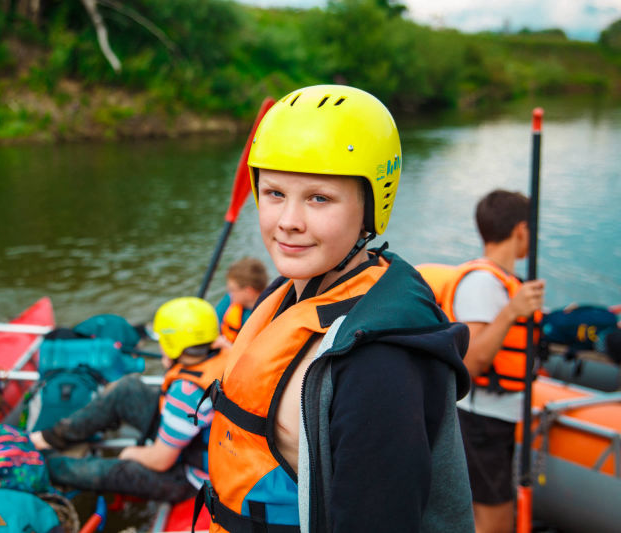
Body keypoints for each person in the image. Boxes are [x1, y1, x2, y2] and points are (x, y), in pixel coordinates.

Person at [201, 85, 474, 533]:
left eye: (319, 198)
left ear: (370, 206)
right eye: (273, 193)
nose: (288, 220)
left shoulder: (379, 363)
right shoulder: (288, 291)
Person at [29, 297, 229, 502]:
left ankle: (44, 463)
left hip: (193, 478)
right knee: (128, 389)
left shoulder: (186, 392)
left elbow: (161, 461)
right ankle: (52, 437)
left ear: (170, 344)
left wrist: (130, 453)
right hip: (198, 442)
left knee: (121, 470)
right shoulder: (227, 355)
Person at [432, 190, 545, 533]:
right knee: (492, 521)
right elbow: (473, 362)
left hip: (495, 419)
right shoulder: (483, 283)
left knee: (497, 515)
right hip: (481, 421)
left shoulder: (502, 281)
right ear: (522, 230)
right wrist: (512, 311)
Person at [214, 256, 268, 348]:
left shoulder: (268, 318)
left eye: (232, 289)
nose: (229, 292)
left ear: (249, 292)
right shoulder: (229, 300)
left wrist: (226, 346)